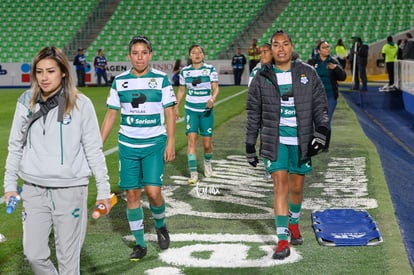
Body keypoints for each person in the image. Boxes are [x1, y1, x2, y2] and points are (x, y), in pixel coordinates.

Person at [3, 46, 112, 274]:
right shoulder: (25, 102)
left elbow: (94, 150)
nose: (44, 77)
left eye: (50, 71)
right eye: (39, 71)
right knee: (33, 255)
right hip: (34, 189)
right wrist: (10, 186)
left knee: (68, 260)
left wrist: (103, 190)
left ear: (63, 72)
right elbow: (15, 146)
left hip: (70, 190)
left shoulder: (82, 104)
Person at [246, 30, 329, 260]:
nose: (280, 49)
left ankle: (293, 222)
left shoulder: (307, 73)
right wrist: (250, 144)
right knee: (279, 184)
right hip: (275, 140)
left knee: (296, 188)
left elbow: (320, 106)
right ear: (271, 49)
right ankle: (283, 239)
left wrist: (321, 133)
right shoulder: (262, 76)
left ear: (292, 47)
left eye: (285, 44)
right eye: (275, 45)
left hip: (300, 140)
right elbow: (254, 112)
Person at [100, 36, 176, 261]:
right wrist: (98, 144)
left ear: (150, 55)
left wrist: (171, 141)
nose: (140, 57)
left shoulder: (161, 80)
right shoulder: (120, 81)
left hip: (154, 143)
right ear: (129, 56)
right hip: (128, 145)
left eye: (144, 52)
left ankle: (161, 225)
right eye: (135, 53)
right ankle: (140, 244)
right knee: (132, 194)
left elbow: (170, 112)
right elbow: (111, 114)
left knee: (153, 193)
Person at [175, 44, 219, 184]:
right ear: (190, 56)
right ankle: (193, 173)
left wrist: (212, 99)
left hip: (206, 111)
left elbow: (216, 88)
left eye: (199, 52)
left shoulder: (210, 69)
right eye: (194, 53)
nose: (197, 54)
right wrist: (176, 106)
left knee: (207, 144)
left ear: (203, 55)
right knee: (192, 140)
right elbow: (182, 90)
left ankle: (207, 162)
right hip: (191, 110)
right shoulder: (184, 72)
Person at [308, 41, 346, 128]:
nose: (327, 49)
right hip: (315, 96)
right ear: (318, 51)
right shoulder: (312, 62)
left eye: (328, 47)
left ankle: (324, 141)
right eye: (324, 47)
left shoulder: (333, 61)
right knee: (315, 121)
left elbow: (342, 77)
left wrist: (336, 68)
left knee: (326, 121)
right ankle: (315, 140)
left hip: (330, 95)